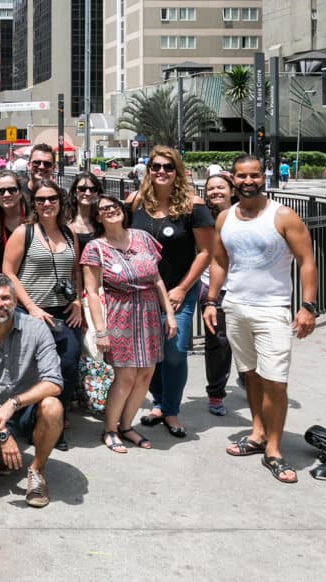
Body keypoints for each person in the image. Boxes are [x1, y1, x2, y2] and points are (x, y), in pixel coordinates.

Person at [203, 154, 317, 484]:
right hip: (236, 307)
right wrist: (212, 300)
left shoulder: (283, 216)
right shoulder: (225, 218)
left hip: (272, 310)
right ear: (233, 178)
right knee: (250, 375)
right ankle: (257, 434)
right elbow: (219, 261)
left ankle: (275, 450)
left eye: (254, 175)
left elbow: (306, 261)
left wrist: (308, 306)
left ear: (263, 176)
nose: (248, 181)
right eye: (242, 176)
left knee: (275, 382)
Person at [81, 193, 177, 453]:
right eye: (104, 209)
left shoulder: (143, 238)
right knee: (125, 376)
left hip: (148, 314)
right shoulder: (95, 248)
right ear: (98, 216)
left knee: (146, 374)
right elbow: (91, 291)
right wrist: (100, 331)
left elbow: (157, 279)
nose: (111, 210)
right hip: (119, 314)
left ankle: (127, 425)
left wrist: (168, 313)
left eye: (115, 206)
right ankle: (110, 429)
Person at [130, 146, 214, 438]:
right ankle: (159, 402)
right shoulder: (136, 202)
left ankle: (172, 409)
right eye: (156, 167)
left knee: (175, 351)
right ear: (148, 170)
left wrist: (181, 288)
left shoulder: (194, 205)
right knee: (151, 353)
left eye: (168, 167)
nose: (161, 172)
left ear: (178, 171)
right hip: (142, 293)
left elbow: (205, 251)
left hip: (179, 292)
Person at [0, 273, 64, 507]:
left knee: (53, 406)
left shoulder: (36, 329)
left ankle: (37, 470)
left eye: (5, 298)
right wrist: (3, 434)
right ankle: (2, 456)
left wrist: (14, 403)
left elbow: (54, 382)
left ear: (15, 301)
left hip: (27, 407)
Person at [2, 179, 82, 449]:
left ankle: (54, 423)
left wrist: (79, 301)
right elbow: (9, 272)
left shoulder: (70, 233)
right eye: (41, 199)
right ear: (33, 204)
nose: (47, 204)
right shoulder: (24, 233)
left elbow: (76, 271)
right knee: (31, 372)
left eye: (52, 199)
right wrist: (32, 308)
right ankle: (29, 421)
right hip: (31, 312)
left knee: (68, 366)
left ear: (60, 201)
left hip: (63, 312)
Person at [198, 173, 237, 416]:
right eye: (210, 188)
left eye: (221, 187)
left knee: (247, 339)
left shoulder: (246, 214)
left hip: (244, 288)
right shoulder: (203, 218)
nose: (215, 192)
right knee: (218, 342)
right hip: (212, 287)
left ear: (232, 189)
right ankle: (216, 393)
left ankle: (248, 375)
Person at [67, 172, 104, 249]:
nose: (87, 193)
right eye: (82, 189)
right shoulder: (63, 219)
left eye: (93, 189)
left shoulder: (103, 220)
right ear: (74, 192)